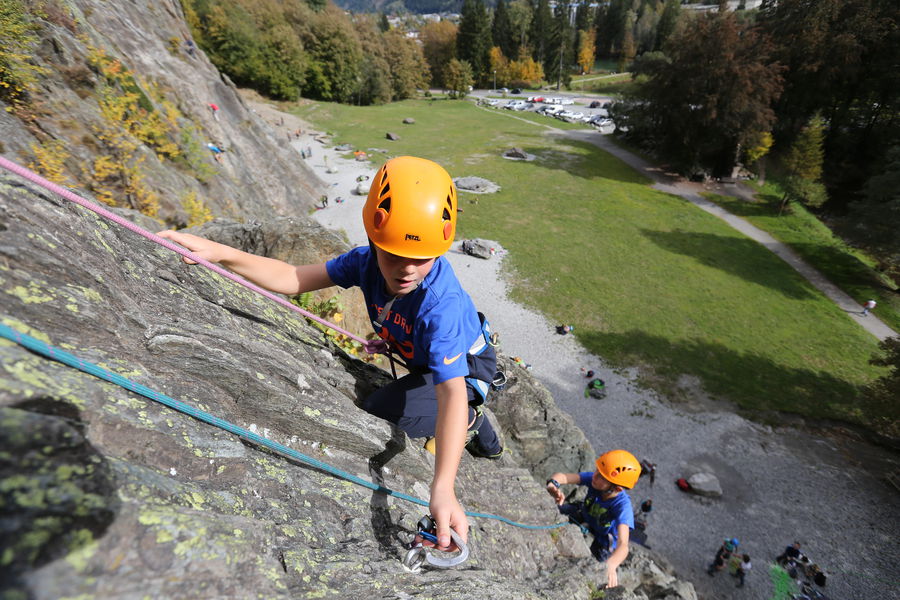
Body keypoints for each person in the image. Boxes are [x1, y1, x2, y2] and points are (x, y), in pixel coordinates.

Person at [158, 156, 503, 555]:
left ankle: (475, 422)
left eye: (422, 258)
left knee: (383, 409)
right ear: (374, 240)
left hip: (466, 375)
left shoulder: (438, 306)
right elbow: (294, 278)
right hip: (427, 360)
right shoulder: (364, 263)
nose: (407, 270)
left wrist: (443, 488)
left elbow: (450, 392)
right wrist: (219, 252)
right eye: (393, 254)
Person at [545, 450, 642, 588]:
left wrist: (612, 565)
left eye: (602, 477)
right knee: (556, 511)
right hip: (585, 515)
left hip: (604, 538)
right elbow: (564, 477)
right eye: (597, 471)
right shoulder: (594, 480)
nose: (595, 476)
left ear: (618, 489)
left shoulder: (623, 506)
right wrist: (553, 484)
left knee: (597, 568)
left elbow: (623, 544)